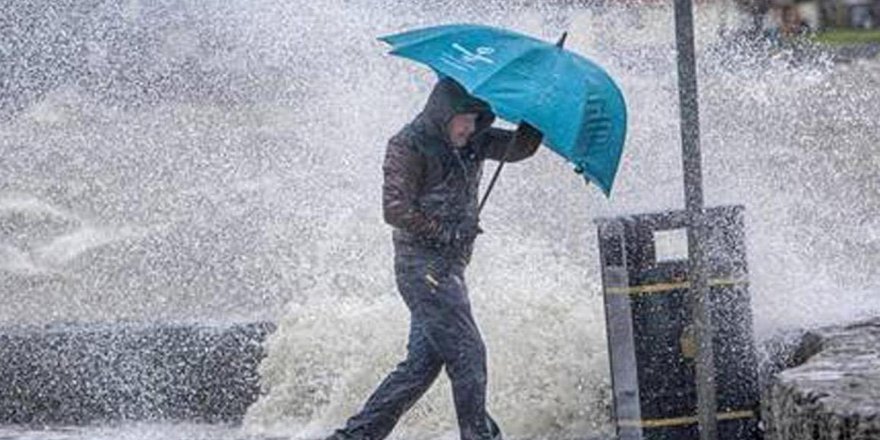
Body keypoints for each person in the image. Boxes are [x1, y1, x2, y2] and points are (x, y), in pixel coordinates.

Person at [325, 77, 542, 440]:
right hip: (421, 267)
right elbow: (394, 209)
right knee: (468, 354)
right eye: (464, 119)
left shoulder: (475, 141)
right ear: (444, 114)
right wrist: (446, 232)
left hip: (451, 267)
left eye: (477, 120)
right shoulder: (407, 144)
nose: (469, 128)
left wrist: (536, 112)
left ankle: (354, 437)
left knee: (420, 367)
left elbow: (519, 148)